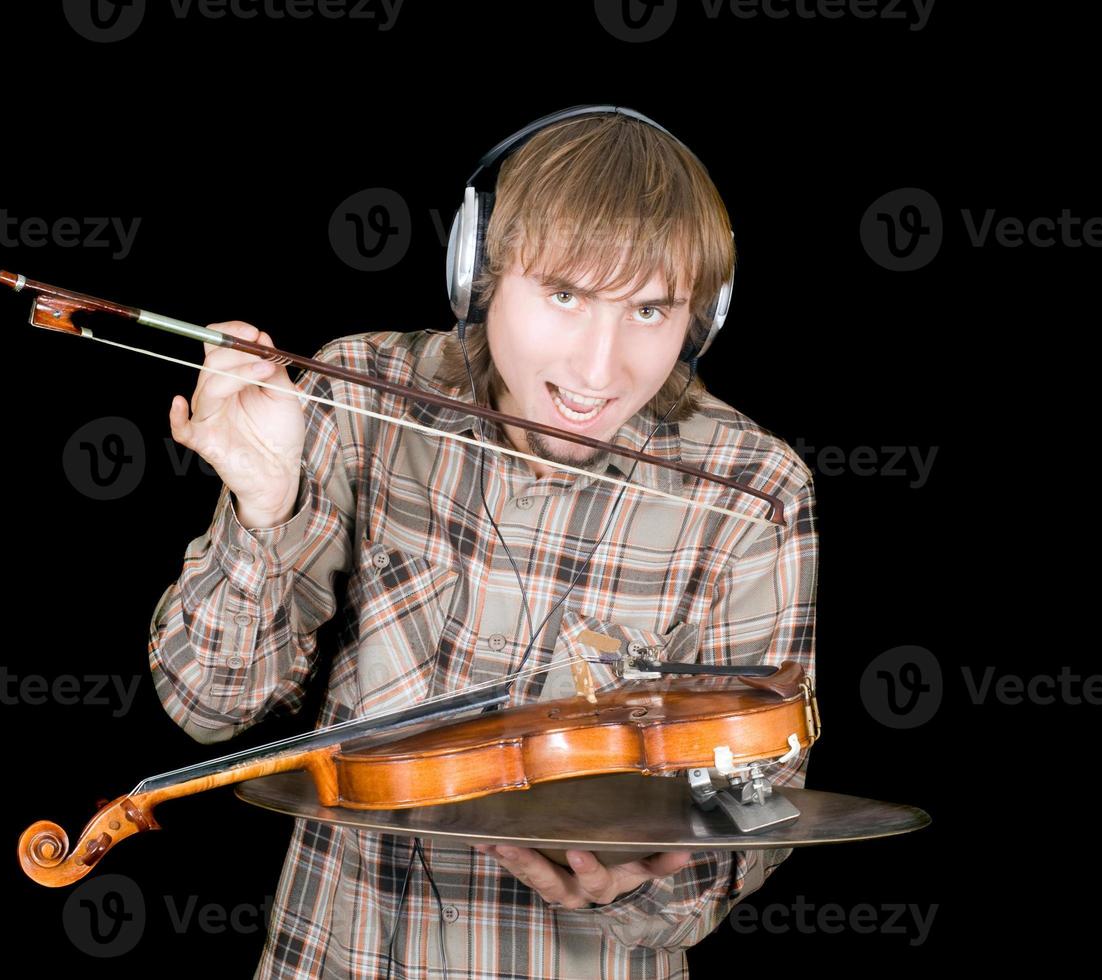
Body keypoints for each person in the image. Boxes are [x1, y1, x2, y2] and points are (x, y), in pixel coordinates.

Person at [149, 106, 818, 978]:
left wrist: (641, 887)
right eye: (565, 294)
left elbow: (758, 806)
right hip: (338, 954)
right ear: (480, 274)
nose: (598, 368)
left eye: (650, 309)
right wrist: (264, 512)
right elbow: (208, 706)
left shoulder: (754, 493)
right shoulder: (369, 399)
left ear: (701, 315)